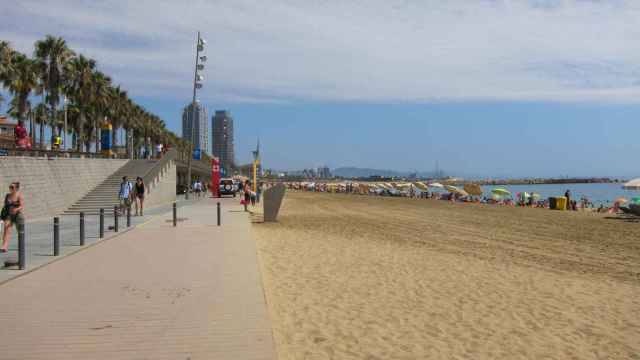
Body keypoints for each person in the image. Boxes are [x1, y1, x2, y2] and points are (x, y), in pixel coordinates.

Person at [1, 182, 25, 253]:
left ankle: (21, 245)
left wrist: (16, 209)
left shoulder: (19, 196)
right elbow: (5, 206)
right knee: (6, 229)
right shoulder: (7, 195)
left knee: (19, 231)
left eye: (12, 187)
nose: (10, 188)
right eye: (10, 187)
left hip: (18, 215)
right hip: (9, 215)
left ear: (16, 188)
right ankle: (4, 246)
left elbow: (21, 206)